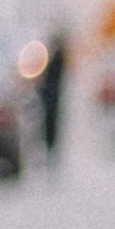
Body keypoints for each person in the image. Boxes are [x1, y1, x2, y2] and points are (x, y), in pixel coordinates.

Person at [35, 26, 70, 168]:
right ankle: (50, 151)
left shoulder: (58, 57)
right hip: (50, 98)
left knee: (51, 126)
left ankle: (51, 152)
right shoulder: (54, 57)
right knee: (47, 126)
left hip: (52, 99)